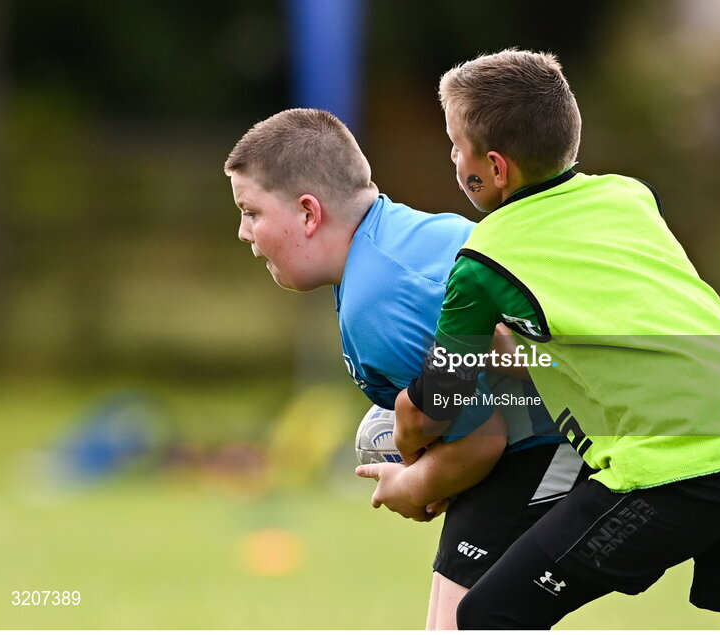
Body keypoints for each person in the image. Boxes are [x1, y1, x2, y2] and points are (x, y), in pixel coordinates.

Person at [394, 50, 720, 630]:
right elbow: (625, 328)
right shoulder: (628, 196)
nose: (451, 158)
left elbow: (439, 402)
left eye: (454, 145)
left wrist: (406, 455)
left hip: (679, 464)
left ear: (495, 169)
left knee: (492, 616)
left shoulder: (485, 256)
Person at [223, 108, 588, 630]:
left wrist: (413, 485)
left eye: (250, 212)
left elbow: (484, 438)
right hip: (530, 439)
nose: (243, 232)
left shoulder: (378, 299)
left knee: (461, 623)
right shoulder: (405, 234)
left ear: (308, 213)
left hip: (552, 440)